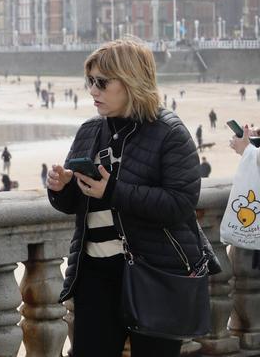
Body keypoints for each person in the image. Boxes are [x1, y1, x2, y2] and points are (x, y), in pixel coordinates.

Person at [46, 38, 204, 356]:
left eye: (102, 83)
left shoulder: (170, 133)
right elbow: (77, 204)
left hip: (155, 273)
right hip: (94, 274)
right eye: (90, 81)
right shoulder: (89, 131)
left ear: (131, 80)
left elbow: (180, 203)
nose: (93, 90)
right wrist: (60, 189)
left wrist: (113, 191)